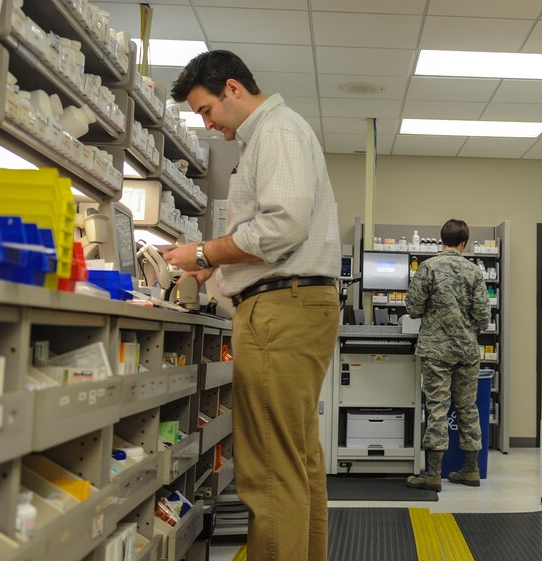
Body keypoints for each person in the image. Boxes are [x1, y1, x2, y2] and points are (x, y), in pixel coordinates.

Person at [163, 50, 341, 561]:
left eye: (205, 110)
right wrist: (214, 266)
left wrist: (203, 251)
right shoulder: (269, 134)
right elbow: (268, 232)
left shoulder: (277, 131)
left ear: (233, 89)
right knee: (296, 460)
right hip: (294, 305)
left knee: (269, 470)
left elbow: (282, 226)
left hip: (280, 311)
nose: (207, 123)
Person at [404, 219, 491, 491]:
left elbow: (413, 307)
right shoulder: (475, 272)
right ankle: (471, 470)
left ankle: (432, 473)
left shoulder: (428, 267)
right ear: (464, 242)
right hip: (466, 351)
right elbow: (484, 318)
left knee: (437, 408)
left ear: (442, 240)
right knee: (468, 408)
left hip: (436, 351)